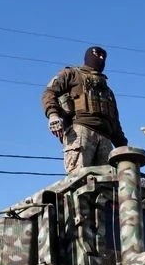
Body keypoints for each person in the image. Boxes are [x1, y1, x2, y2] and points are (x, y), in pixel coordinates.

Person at [42, 46, 128, 174]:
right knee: (79, 178)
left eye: (103, 57)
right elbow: (50, 93)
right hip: (80, 130)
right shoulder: (72, 74)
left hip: (105, 137)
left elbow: (115, 122)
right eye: (98, 55)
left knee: (109, 182)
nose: (101, 58)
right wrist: (53, 114)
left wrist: (124, 149)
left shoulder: (107, 91)